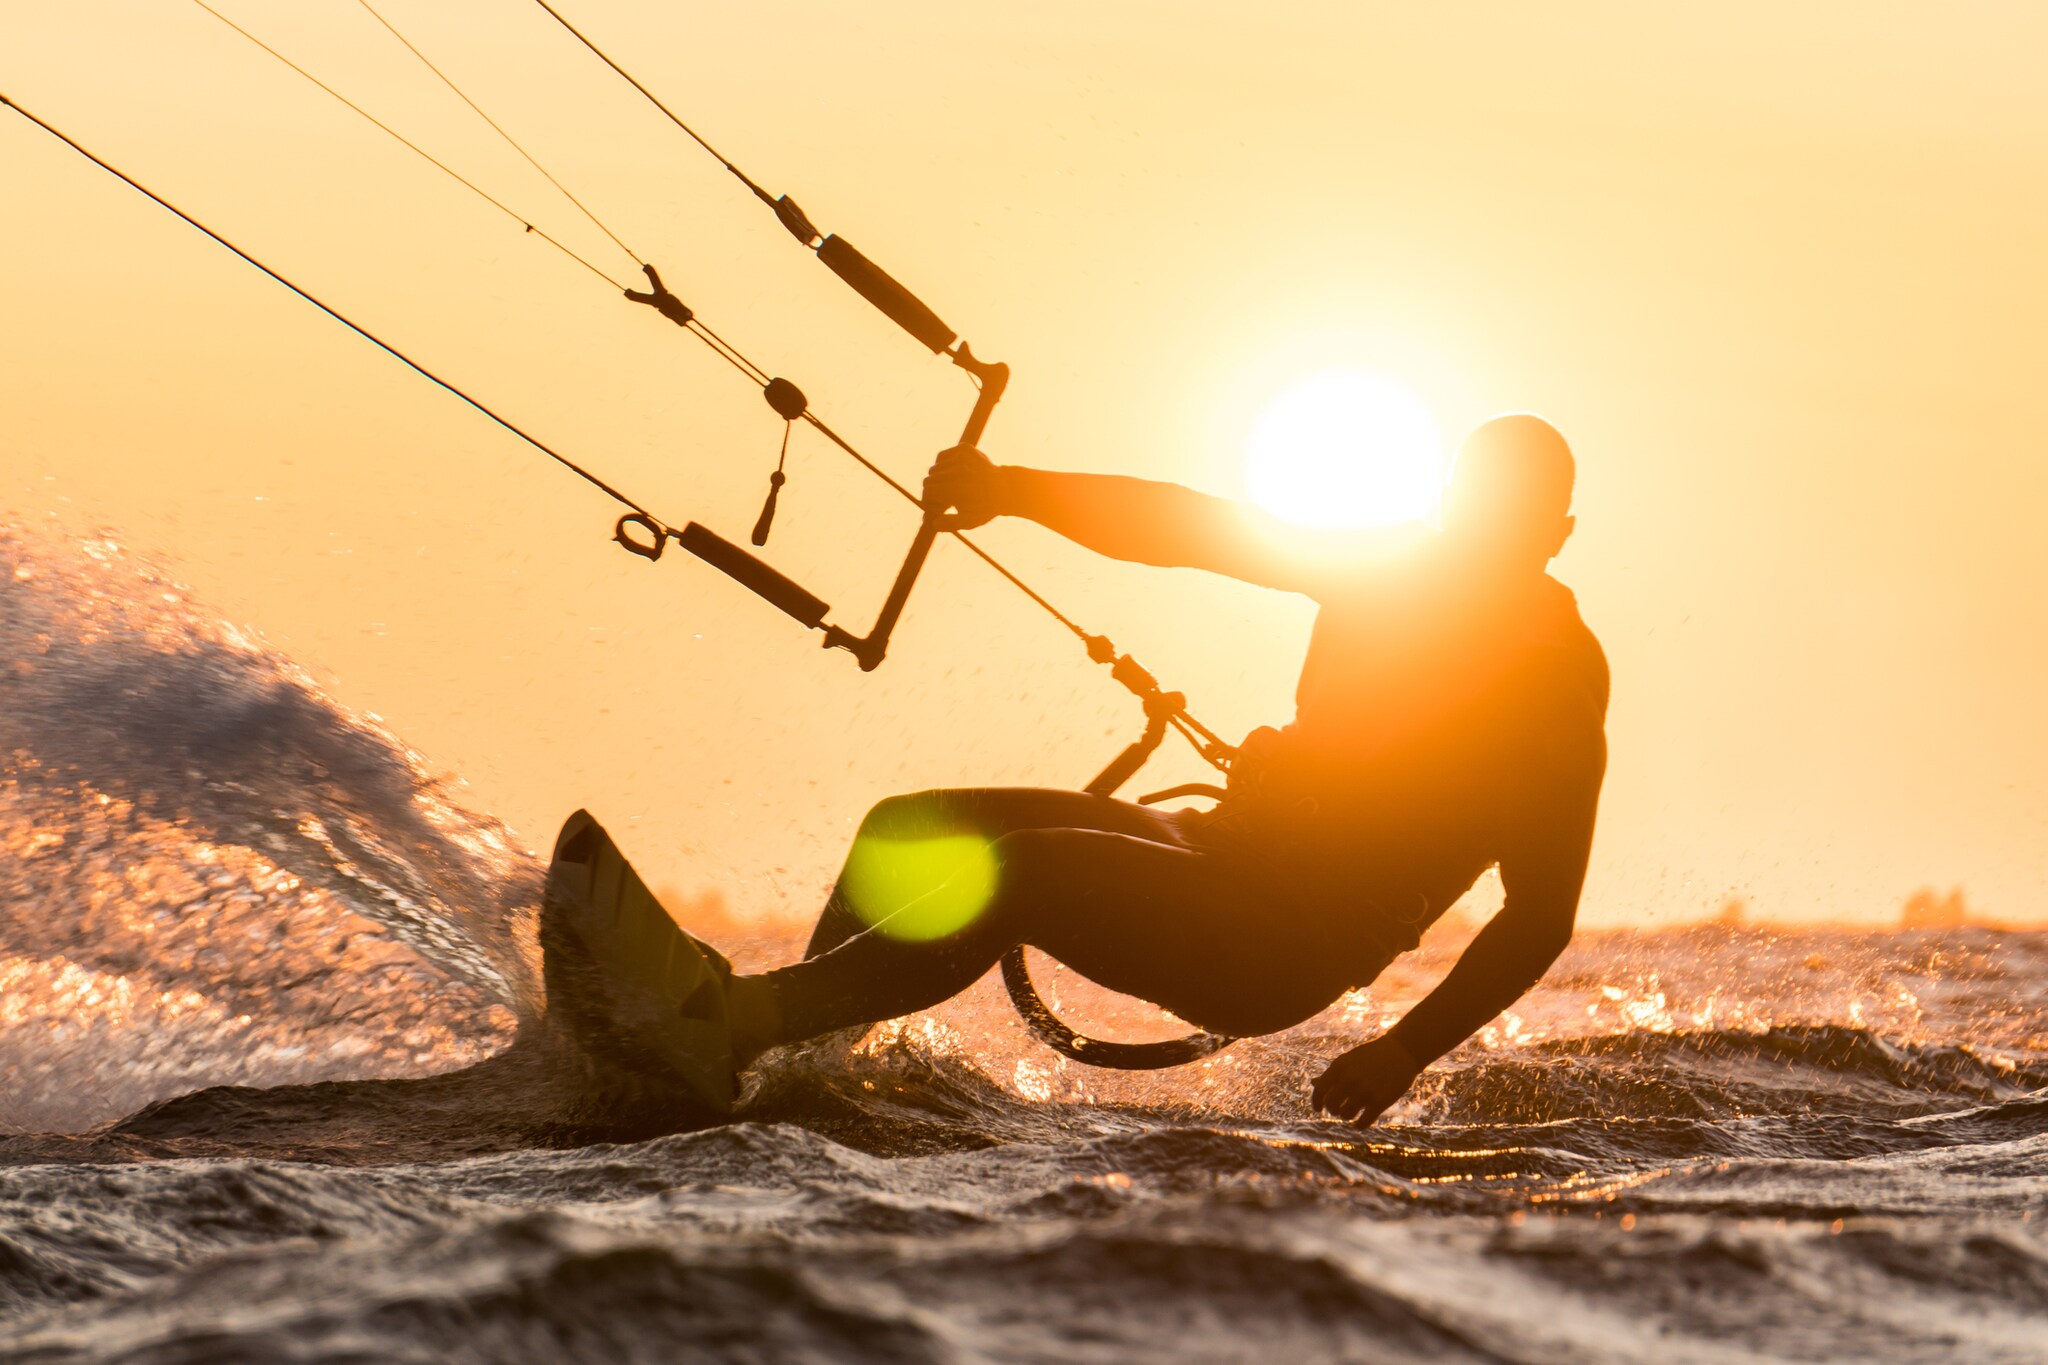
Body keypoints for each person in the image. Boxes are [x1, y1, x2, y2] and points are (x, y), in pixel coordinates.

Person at [722, 413, 1609, 1125]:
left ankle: (744, 1019)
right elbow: (1194, 526)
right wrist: (1012, 490)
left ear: (1555, 533)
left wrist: (1406, 1050)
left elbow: (1540, 915)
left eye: (1512, 515)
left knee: (1021, 870)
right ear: (1450, 500)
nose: (1482, 532)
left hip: (1289, 937)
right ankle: (793, 1064)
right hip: (1226, 846)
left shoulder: (1555, 676)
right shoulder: (1386, 565)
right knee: (910, 826)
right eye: (1473, 504)